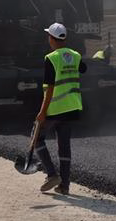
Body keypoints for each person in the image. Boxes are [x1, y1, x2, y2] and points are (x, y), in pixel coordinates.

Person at [34, 22, 86, 195]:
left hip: (54, 108)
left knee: (37, 139)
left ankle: (51, 174)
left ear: (52, 39)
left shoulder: (51, 58)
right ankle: (65, 186)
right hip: (72, 107)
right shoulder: (76, 55)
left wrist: (42, 112)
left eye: (49, 36)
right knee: (64, 147)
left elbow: (49, 88)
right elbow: (83, 69)